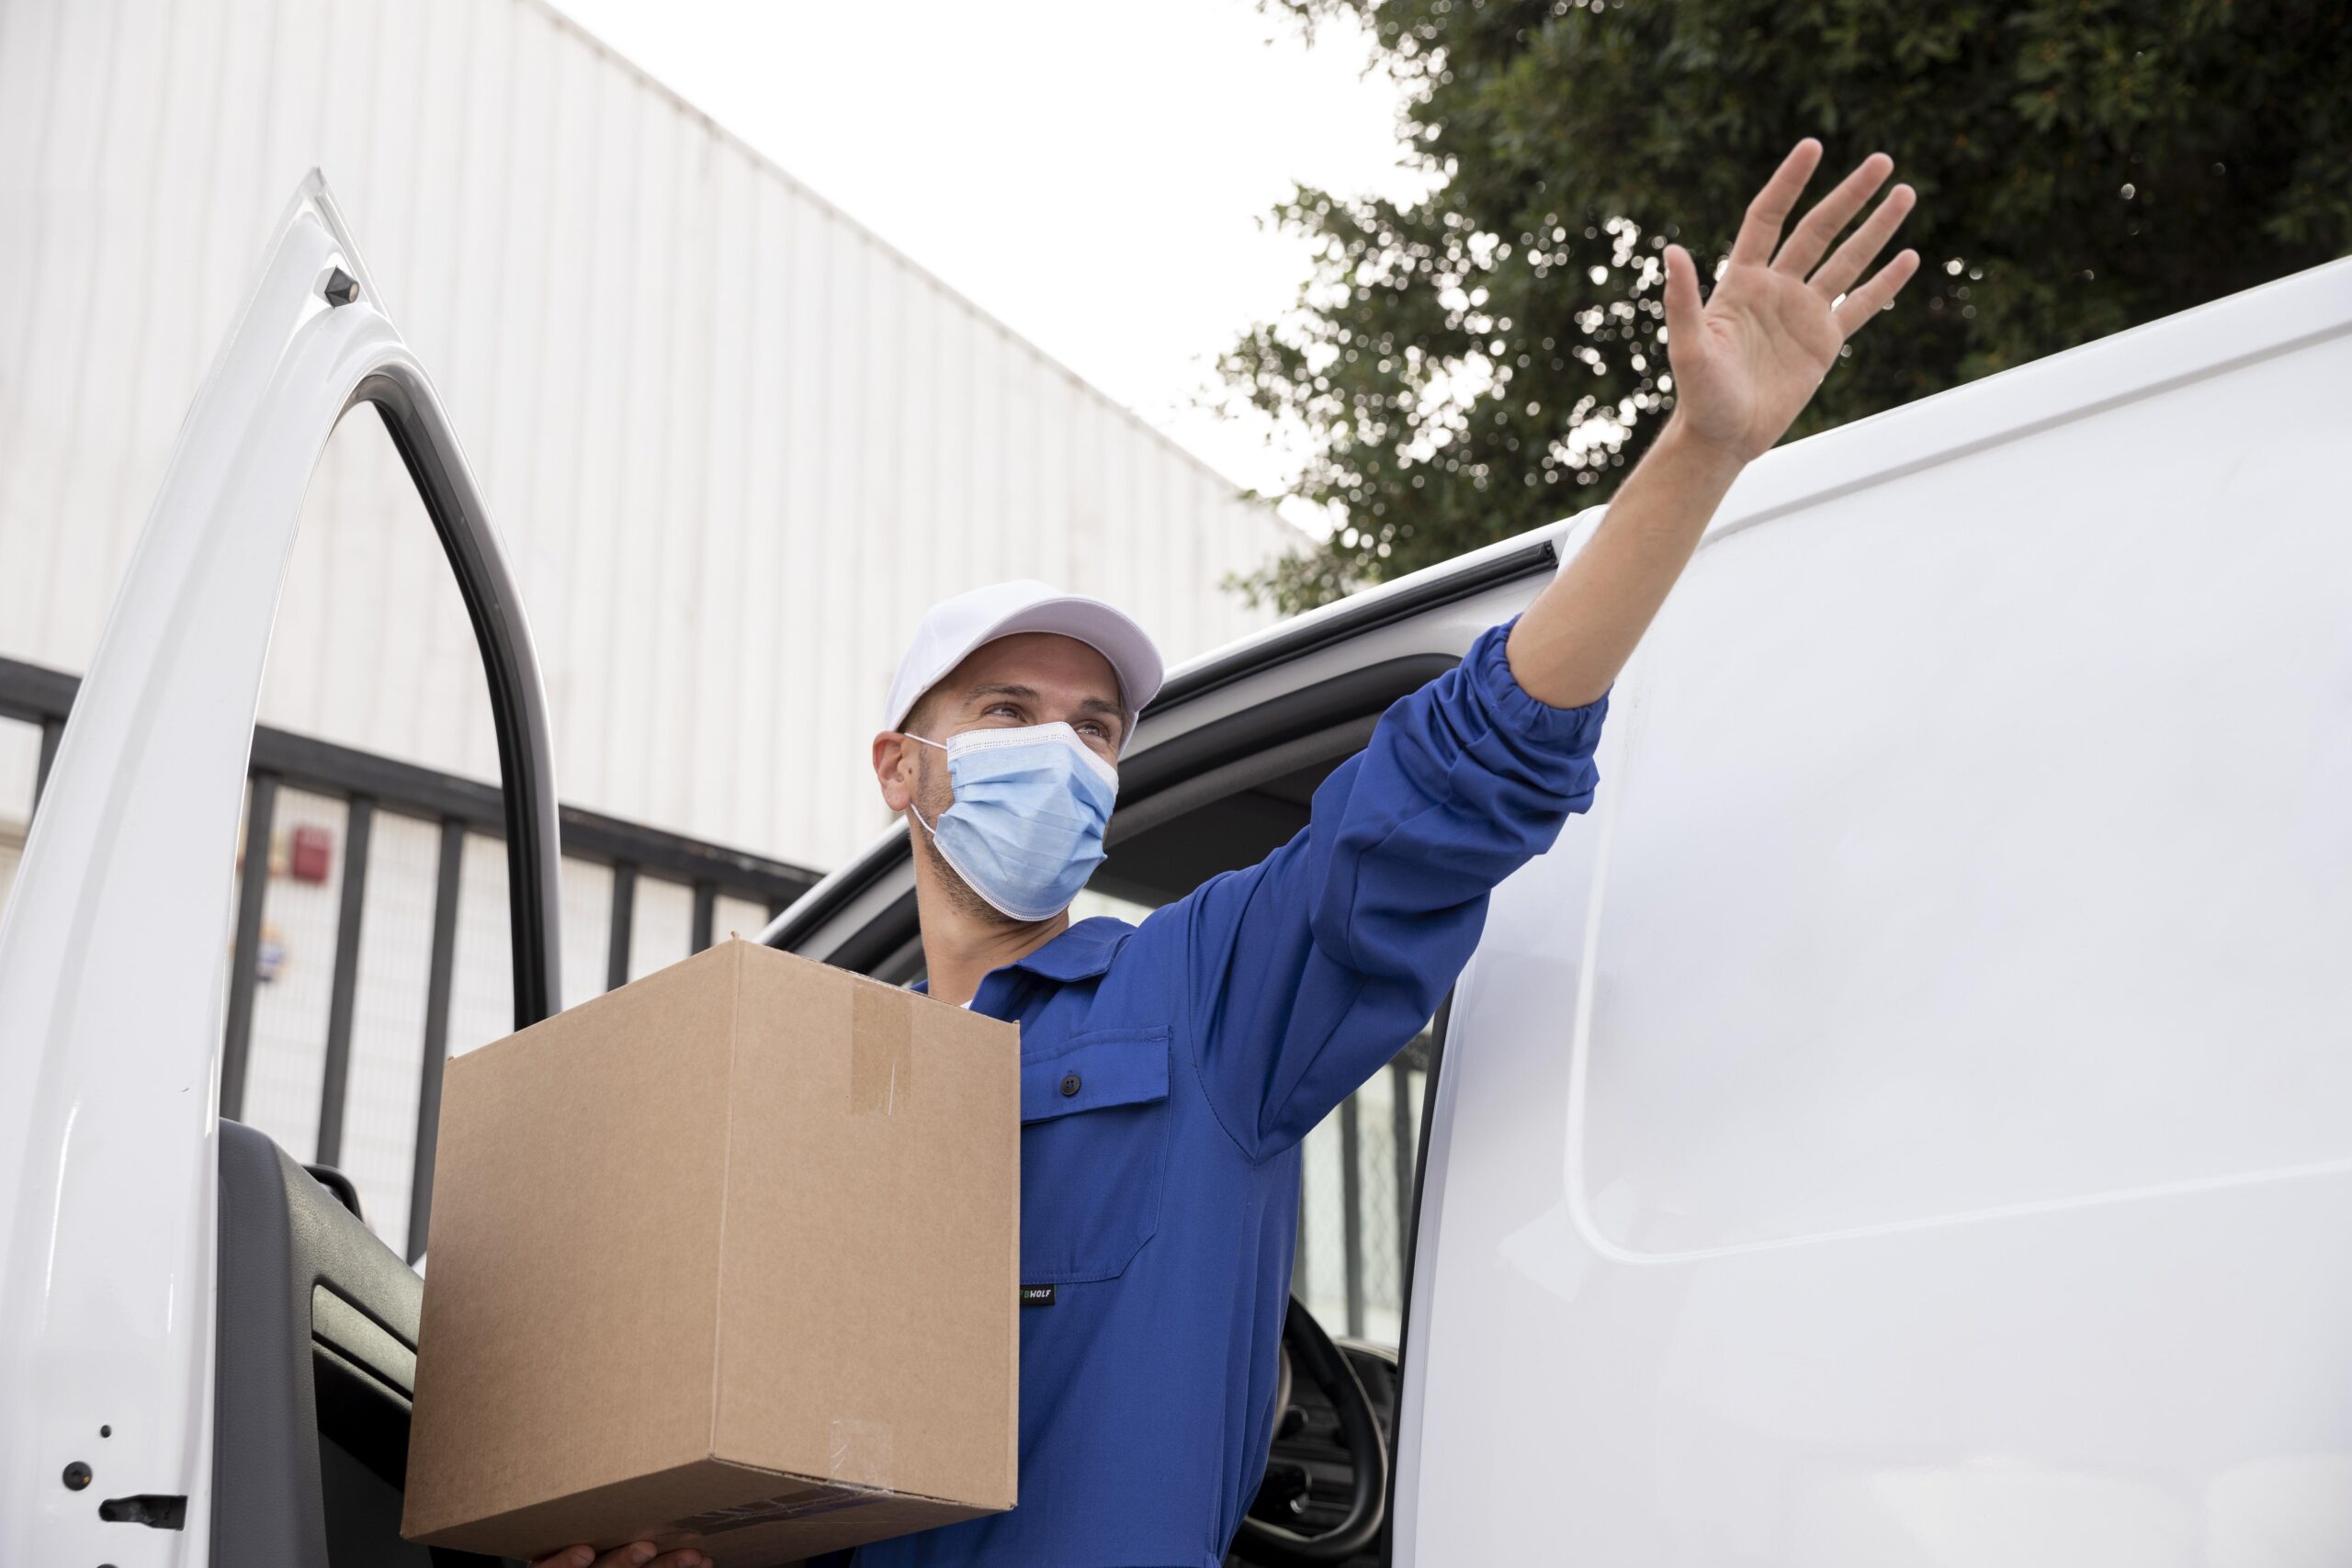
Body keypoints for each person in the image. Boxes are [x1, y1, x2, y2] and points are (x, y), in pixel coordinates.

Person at [539, 138, 1917, 1568]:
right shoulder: (817, 1094)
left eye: (1093, 727)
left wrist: (1699, 454)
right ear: (903, 768)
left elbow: (1456, 781)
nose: (1060, 749)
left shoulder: (1199, 996)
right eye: (1007, 712)